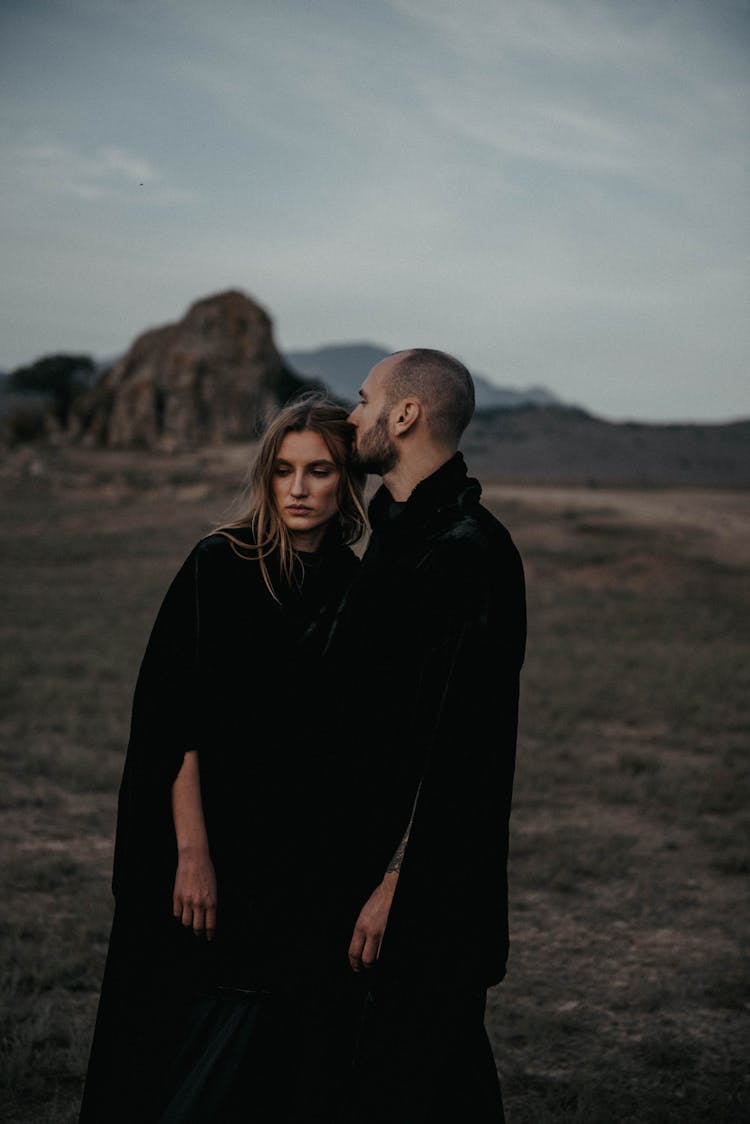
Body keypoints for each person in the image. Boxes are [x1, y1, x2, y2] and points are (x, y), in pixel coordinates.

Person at [78, 393, 368, 1124]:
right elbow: (173, 724)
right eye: (283, 470)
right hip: (205, 839)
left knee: (277, 1048)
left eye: (320, 471)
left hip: (301, 859)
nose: (299, 489)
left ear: (348, 482)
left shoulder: (358, 587)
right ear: (265, 478)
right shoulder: (221, 564)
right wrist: (193, 853)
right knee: (182, 1030)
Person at [323, 349, 527, 1123]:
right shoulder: (397, 533)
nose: (353, 415)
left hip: (422, 892)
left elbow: (466, 750)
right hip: (359, 868)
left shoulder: (468, 550)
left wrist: (398, 883)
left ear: (405, 416)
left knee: (424, 1081)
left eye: (366, 398)